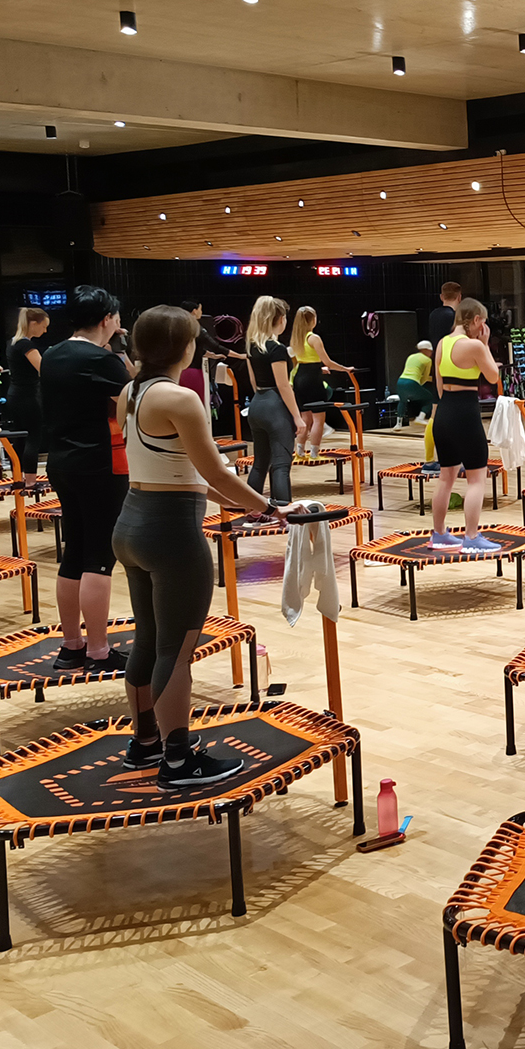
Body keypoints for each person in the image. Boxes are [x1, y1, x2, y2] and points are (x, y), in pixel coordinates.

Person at [113, 306, 295, 785]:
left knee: (148, 640)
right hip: (171, 533)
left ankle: (145, 744)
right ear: (186, 347)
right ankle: (178, 760)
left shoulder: (131, 392)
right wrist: (270, 507)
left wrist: (248, 504)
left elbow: (182, 472)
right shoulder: (181, 398)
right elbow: (213, 471)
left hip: (131, 524)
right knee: (176, 649)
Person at [41, 286, 132, 676]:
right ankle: (98, 650)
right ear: (107, 319)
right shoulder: (101, 359)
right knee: (99, 556)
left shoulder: (52, 354)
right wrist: (121, 354)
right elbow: (132, 398)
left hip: (61, 462)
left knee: (74, 551)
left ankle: (71, 646)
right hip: (100, 462)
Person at [430, 298, 502, 553]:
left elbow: (438, 383)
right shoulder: (474, 345)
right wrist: (485, 345)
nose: (484, 328)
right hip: (465, 413)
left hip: (444, 412)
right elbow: (493, 376)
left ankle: (439, 534)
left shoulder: (443, 342)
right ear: (475, 320)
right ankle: (471, 537)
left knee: (445, 477)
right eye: (483, 323)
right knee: (477, 477)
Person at [245, 296, 303, 509]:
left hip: (257, 405)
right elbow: (283, 385)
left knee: (259, 464)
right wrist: (297, 417)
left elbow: (253, 382)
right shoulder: (277, 349)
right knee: (281, 465)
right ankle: (285, 515)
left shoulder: (251, 346)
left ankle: (252, 511)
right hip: (275, 407)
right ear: (279, 319)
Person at [288, 306, 353, 456]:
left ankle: (299, 452)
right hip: (313, 380)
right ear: (313, 319)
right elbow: (327, 362)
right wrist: (345, 369)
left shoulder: (296, 339)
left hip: (299, 378)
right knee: (318, 419)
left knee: (305, 418)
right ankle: (314, 453)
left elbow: (302, 362)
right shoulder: (313, 338)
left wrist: (319, 369)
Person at [4, 307, 47, 488]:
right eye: (44, 326)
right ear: (33, 324)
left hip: (14, 395)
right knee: (33, 437)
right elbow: (43, 368)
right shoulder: (26, 345)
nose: (45, 331)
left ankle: (19, 477)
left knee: (20, 437)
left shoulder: (12, 343)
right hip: (28, 396)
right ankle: (30, 481)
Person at [393, 341, 436, 430]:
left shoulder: (411, 356)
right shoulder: (427, 360)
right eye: (430, 351)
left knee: (402, 401)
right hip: (412, 382)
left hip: (400, 381)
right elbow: (425, 377)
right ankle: (420, 417)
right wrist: (419, 385)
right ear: (425, 350)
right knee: (430, 398)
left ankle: (398, 424)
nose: (431, 353)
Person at [430, 281, 462, 349]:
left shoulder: (433, 314)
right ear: (459, 297)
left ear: (441, 297)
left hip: (436, 352)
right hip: (451, 352)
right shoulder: (456, 317)